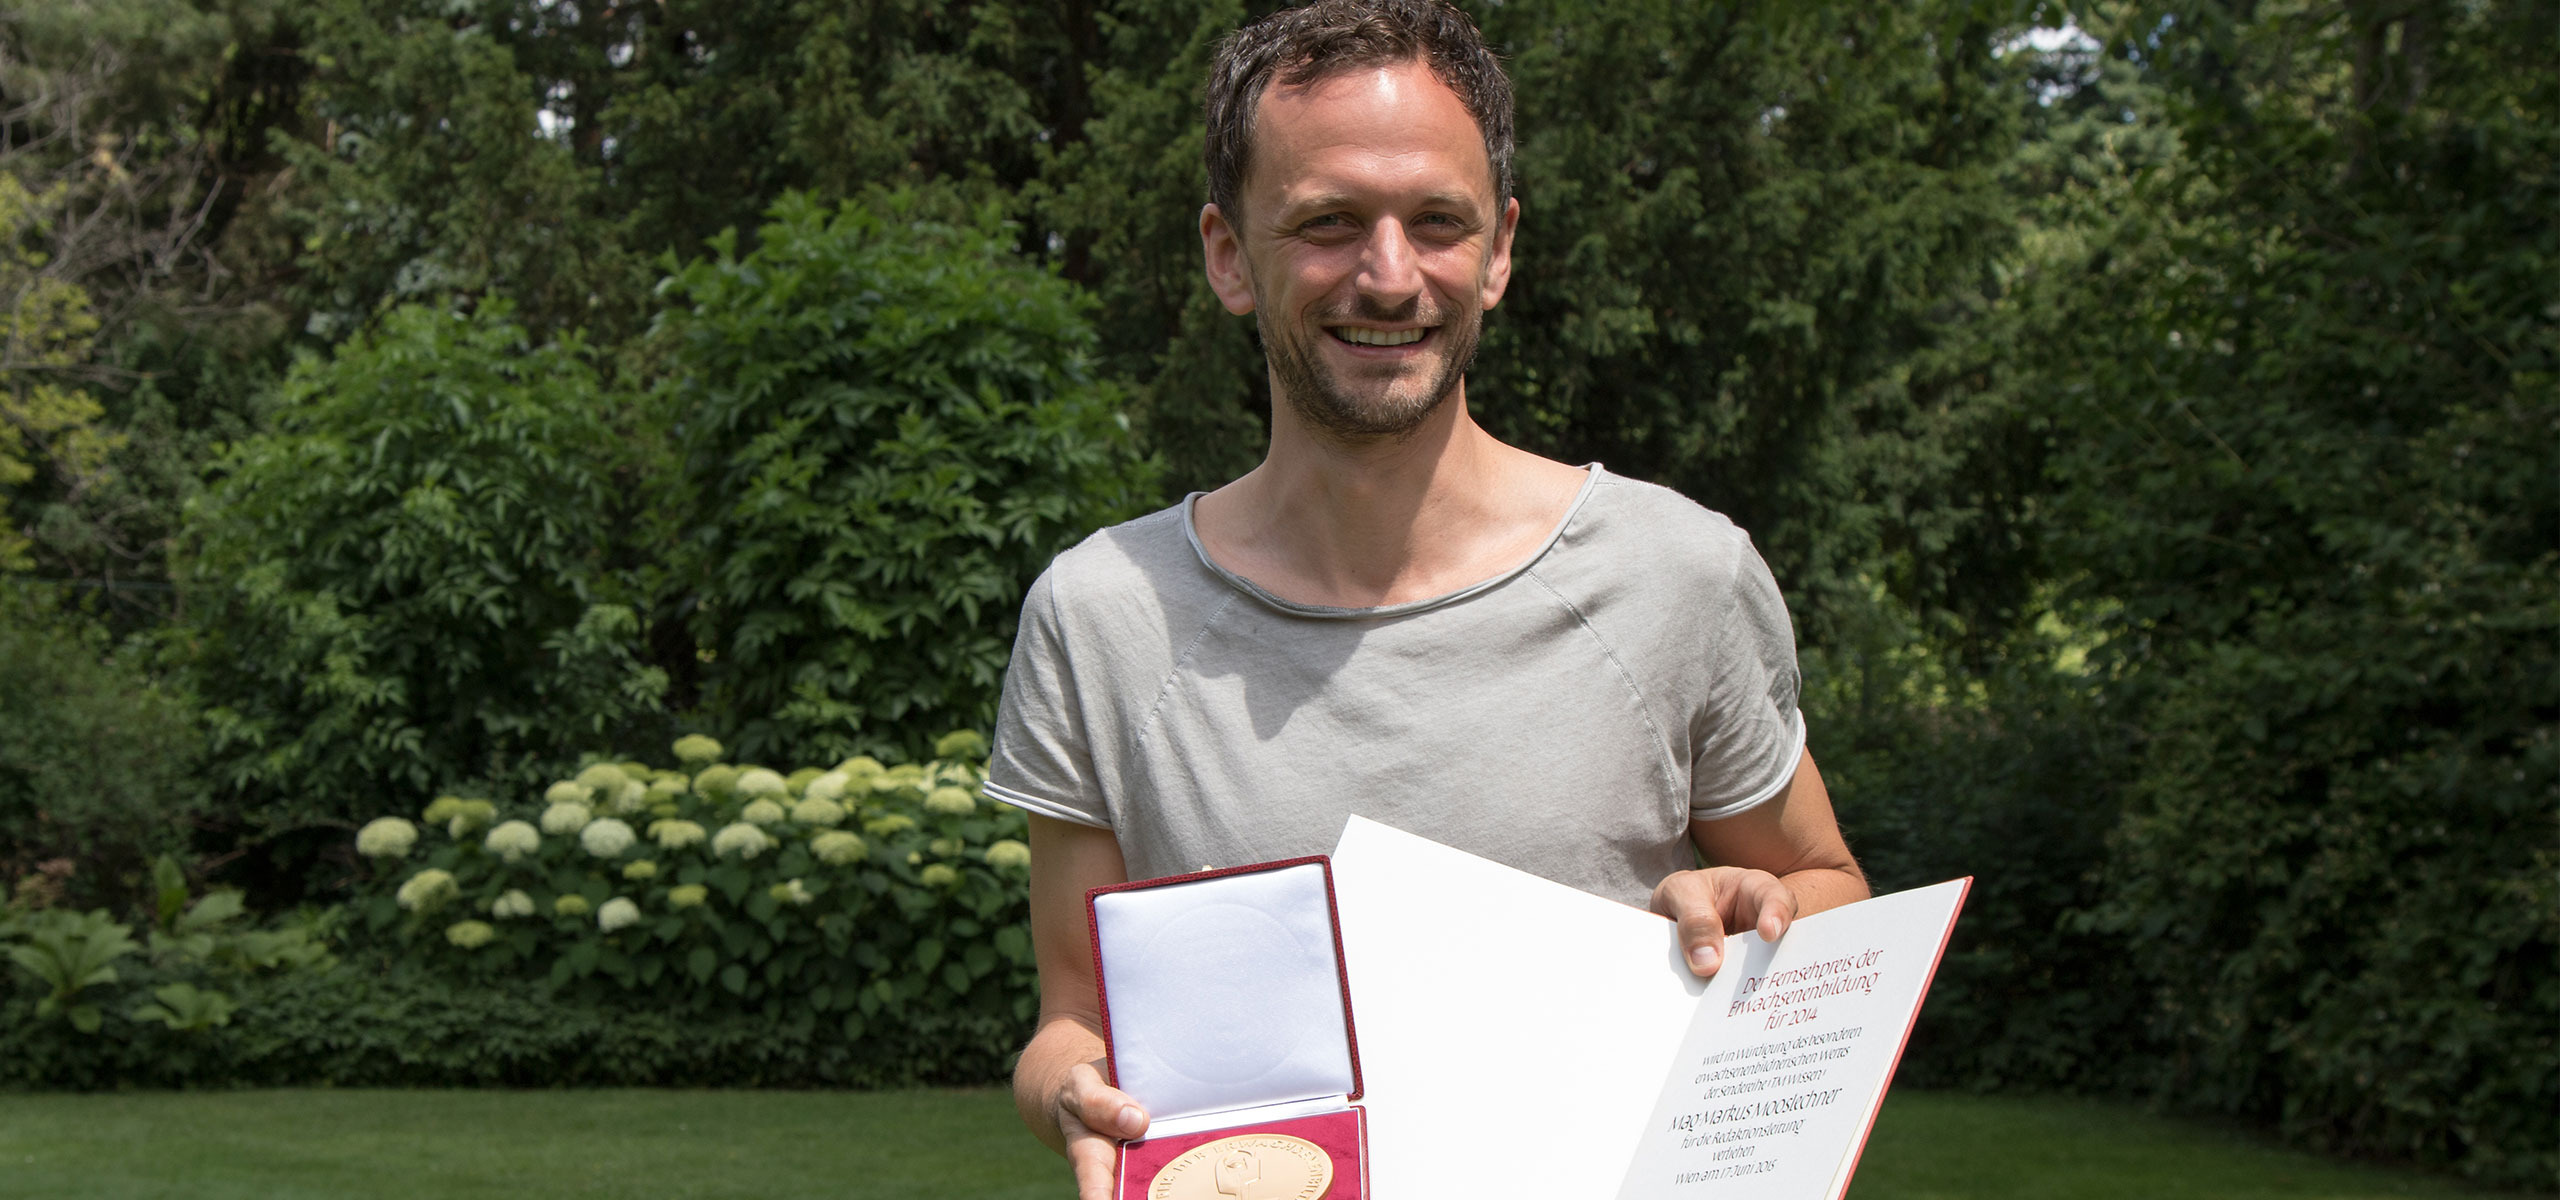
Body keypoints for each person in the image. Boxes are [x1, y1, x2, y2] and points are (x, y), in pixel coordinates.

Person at [978, 2, 1866, 1195]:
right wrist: (1073, 1096)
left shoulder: (1679, 573)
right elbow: (1073, 1018)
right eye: (1329, 222)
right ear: (1228, 254)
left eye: (1435, 222)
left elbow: (1831, 893)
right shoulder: (1101, 615)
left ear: (1497, 249)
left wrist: (1761, 906)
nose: (1388, 278)